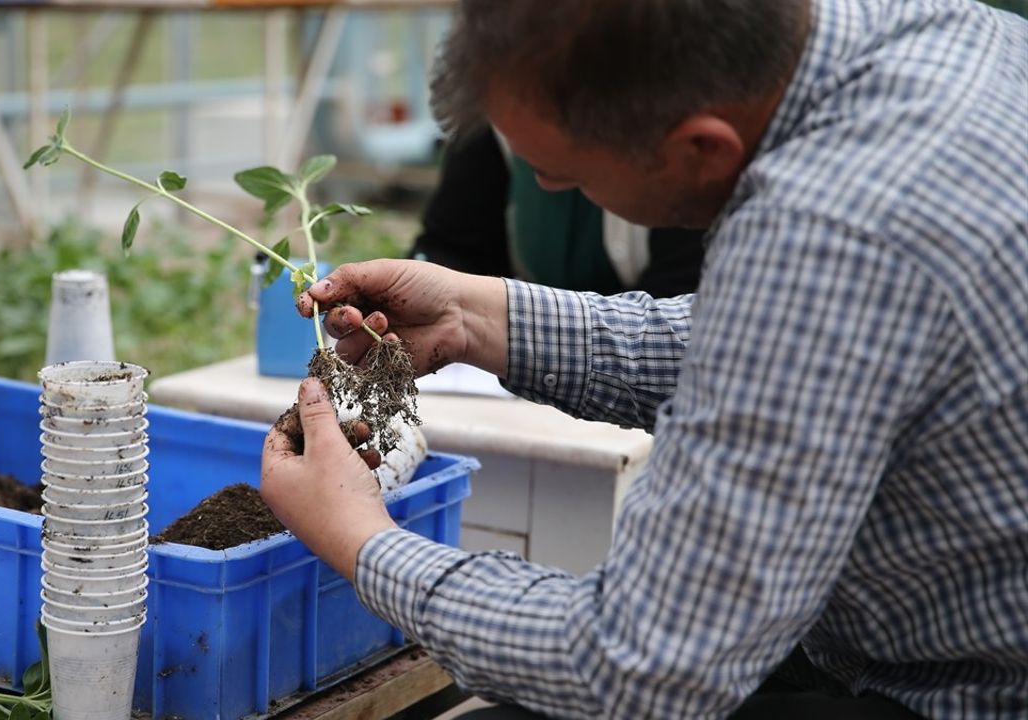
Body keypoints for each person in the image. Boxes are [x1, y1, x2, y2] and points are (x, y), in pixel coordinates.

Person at [261, 0, 1028, 718]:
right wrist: (475, 317)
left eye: (562, 174)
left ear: (699, 148)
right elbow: (780, 354)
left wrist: (362, 540)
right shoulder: (931, 33)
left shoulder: (830, 228)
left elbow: (645, 667)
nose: (541, 186)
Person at [409, 124, 706, 297]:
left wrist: (503, 326)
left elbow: (677, 311)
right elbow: (450, 244)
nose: (544, 182)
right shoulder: (489, 129)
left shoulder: (683, 154)